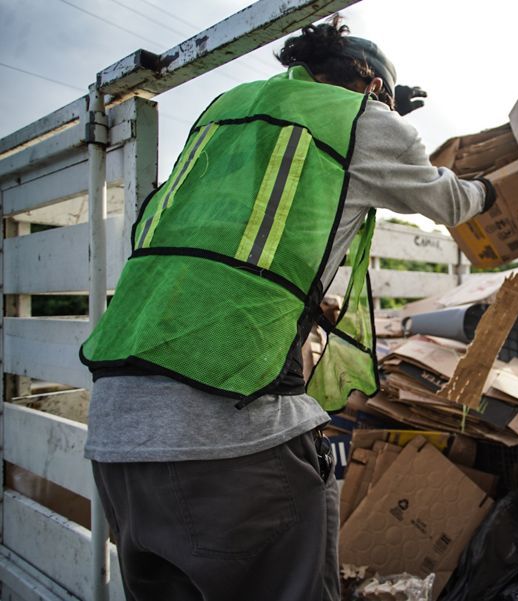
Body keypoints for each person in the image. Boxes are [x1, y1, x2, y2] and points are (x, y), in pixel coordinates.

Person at [79, 16, 494, 601]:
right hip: (227, 444)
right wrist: (493, 190)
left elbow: (220, 243)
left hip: (116, 434)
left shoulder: (227, 112)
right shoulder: (364, 121)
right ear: (373, 85)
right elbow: (449, 200)